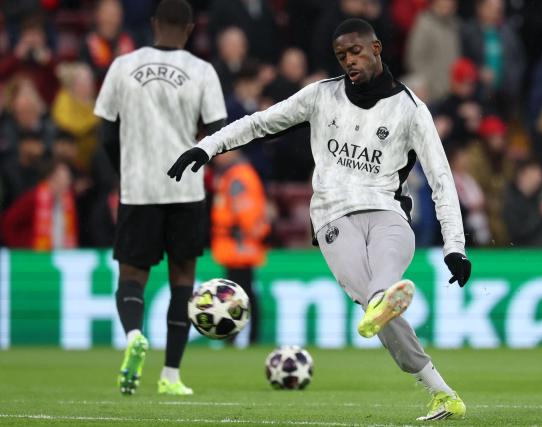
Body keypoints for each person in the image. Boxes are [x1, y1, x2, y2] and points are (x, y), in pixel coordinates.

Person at [169, 18, 471, 421]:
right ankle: (439, 388)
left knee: (379, 295)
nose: (349, 61)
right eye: (341, 55)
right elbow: (259, 123)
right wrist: (207, 148)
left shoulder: (411, 110)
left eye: (356, 52)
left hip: (388, 213)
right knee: (377, 307)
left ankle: (397, 322)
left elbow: (441, 180)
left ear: (377, 48)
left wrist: (455, 246)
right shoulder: (320, 96)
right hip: (333, 217)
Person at [93, 0, 227, 396]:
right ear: (189, 28)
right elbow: (219, 131)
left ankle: (134, 333)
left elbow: (103, 131)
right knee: (182, 279)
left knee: (132, 275)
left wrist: (124, 169)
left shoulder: (122, 66)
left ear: (153, 25)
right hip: (186, 190)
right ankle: (171, 375)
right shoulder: (202, 71)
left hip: (139, 189)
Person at [210, 149, 270, 345]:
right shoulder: (235, 175)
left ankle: (243, 337)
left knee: (238, 294)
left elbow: (246, 211)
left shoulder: (238, 177)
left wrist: (246, 234)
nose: (216, 158)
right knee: (243, 293)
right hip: (237, 246)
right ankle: (244, 336)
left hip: (239, 247)